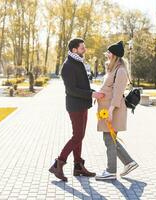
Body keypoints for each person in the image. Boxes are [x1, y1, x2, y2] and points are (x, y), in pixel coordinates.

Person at [49, 38, 104, 182]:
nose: (84, 50)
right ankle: (58, 163)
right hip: (75, 106)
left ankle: (78, 166)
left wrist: (94, 92)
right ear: (74, 50)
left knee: (79, 135)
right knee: (77, 136)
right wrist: (91, 94)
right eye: (82, 48)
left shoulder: (78, 63)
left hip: (82, 105)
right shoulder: (68, 66)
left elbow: (82, 86)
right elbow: (72, 90)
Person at [95, 41, 138, 180]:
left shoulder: (120, 71)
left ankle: (111, 171)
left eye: (108, 53)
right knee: (110, 138)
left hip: (113, 111)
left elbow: (118, 93)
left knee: (109, 139)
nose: (106, 55)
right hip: (108, 109)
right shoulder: (113, 69)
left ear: (114, 55)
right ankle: (129, 162)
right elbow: (109, 88)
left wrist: (110, 112)